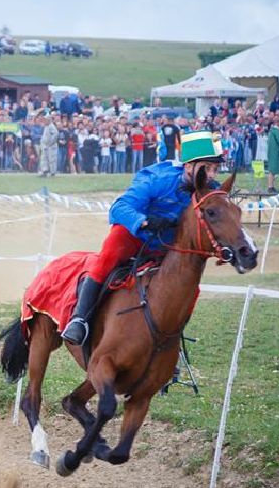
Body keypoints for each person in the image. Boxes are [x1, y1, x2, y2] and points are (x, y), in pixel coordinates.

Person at [60, 131, 224, 346]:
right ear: (188, 166)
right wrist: (144, 221)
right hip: (136, 235)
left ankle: (171, 341)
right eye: (206, 168)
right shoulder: (157, 179)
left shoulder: (211, 191)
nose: (211, 175)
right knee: (108, 256)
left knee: (191, 286)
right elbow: (119, 208)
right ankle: (79, 319)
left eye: (215, 169)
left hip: (169, 245)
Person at [266, 117, 279, 193]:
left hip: (272, 151)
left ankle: (271, 186)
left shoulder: (273, 131)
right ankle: (270, 187)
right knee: (272, 170)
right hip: (274, 152)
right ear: (278, 123)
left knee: (273, 170)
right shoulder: (276, 131)